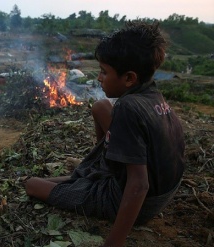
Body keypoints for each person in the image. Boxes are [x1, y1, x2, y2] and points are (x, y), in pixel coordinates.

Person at [25, 21, 184, 247]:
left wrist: (114, 241)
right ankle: (91, 173)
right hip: (164, 190)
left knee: (32, 184)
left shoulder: (127, 109)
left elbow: (139, 185)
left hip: (133, 201)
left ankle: (82, 181)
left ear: (129, 78)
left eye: (104, 71)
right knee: (100, 106)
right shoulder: (153, 95)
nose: (99, 77)